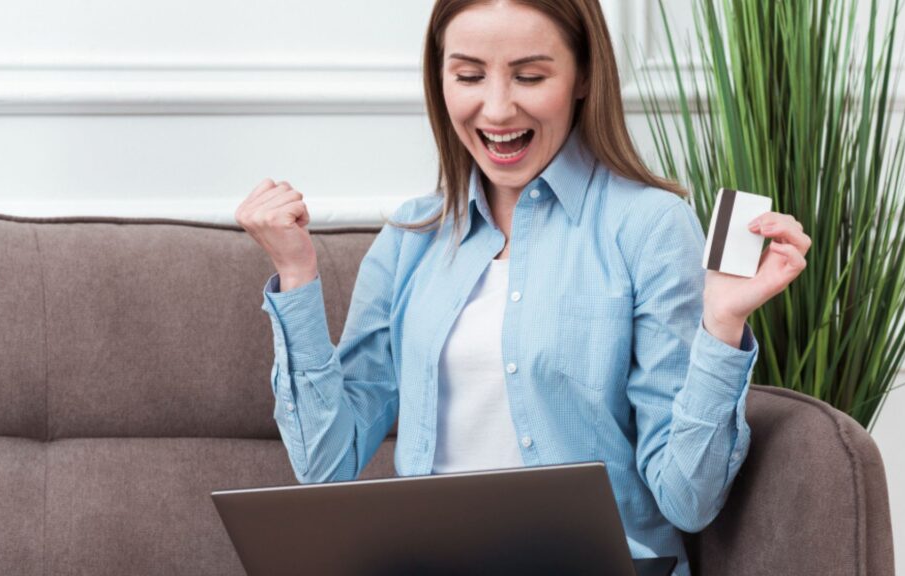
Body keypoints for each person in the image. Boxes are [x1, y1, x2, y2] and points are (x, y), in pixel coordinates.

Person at [234, 0, 812, 573]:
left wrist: (722, 325)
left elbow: (688, 500)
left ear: (584, 75)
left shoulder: (650, 227)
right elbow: (324, 465)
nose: (498, 107)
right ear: (440, 81)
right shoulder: (412, 239)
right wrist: (297, 276)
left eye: (530, 76)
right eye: (468, 75)